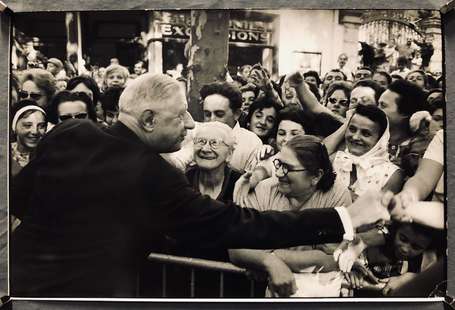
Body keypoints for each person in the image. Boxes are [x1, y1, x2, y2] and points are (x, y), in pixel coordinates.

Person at [10, 73, 391, 298]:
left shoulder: (71, 132)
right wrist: (346, 216)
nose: (191, 126)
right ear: (147, 119)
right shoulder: (151, 174)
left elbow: (19, 200)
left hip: (19, 287)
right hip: (89, 299)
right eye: (181, 117)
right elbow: (239, 225)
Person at [230, 135, 351, 297]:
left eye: (288, 168)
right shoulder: (265, 189)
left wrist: (273, 256)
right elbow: (236, 248)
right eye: (278, 164)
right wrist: (271, 263)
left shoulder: (337, 195)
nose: (279, 173)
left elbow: (334, 259)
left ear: (316, 176)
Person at [345, 221, 441, 297]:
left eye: (416, 247)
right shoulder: (379, 236)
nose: (405, 249)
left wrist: (410, 278)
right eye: (403, 239)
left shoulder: (425, 260)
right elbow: (349, 246)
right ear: (395, 230)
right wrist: (351, 265)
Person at [331, 105, 403, 201]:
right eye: (352, 129)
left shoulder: (392, 175)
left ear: (380, 140)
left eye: (366, 134)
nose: (355, 137)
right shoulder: (334, 160)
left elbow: (375, 212)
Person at [377, 80, 427, 166]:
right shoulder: (371, 137)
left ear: (404, 113)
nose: (376, 109)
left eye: (383, 106)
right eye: (378, 104)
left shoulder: (419, 149)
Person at [10, 100, 47, 177]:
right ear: (14, 127)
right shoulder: (5, 153)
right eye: (27, 125)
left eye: (41, 126)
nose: (35, 131)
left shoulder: (50, 155)